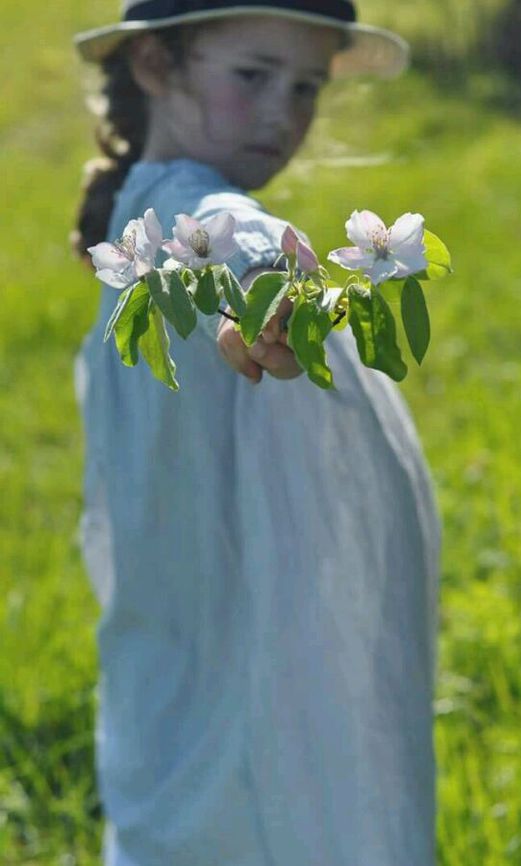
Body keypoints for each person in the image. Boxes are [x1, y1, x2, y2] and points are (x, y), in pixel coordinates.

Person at [73, 2, 441, 865]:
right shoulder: (171, 211)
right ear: (156, 68)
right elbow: (229, 238)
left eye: (307, 85)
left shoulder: (181, 208)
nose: (285, 111)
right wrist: (260, 276)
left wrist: (272, 286)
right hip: (211, 594)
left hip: (217, 597)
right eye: (253, 76)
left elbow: (253, 246)